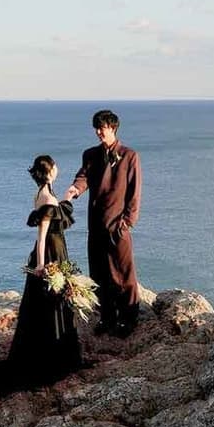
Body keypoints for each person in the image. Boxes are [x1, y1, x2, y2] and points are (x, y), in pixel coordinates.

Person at [0, 154, 85, 402]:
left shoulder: (45, 192)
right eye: (55, 165)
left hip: (56, 251)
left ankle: (59, 351)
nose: (57, 167)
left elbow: (56, 212)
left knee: (53, 303)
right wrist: (41, 265)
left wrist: (68, 196)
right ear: (50, 170)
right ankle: (52, 356)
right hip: (50, 254)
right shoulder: (44, 196)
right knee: (49, 304)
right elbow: (41, 236)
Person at [65, 108, 142, 336]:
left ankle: (129, 319)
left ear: (113, 128)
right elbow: (83, 177)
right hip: (96, 225)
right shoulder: (90, 155)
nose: (99, 132)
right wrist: (75, 190)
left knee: (124, 274)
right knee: (99, 274)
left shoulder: (130, 156)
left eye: (103, 128)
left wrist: (127, 223)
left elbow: (134, 193)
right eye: (96, 128)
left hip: (118, 227)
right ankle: (107, 317)